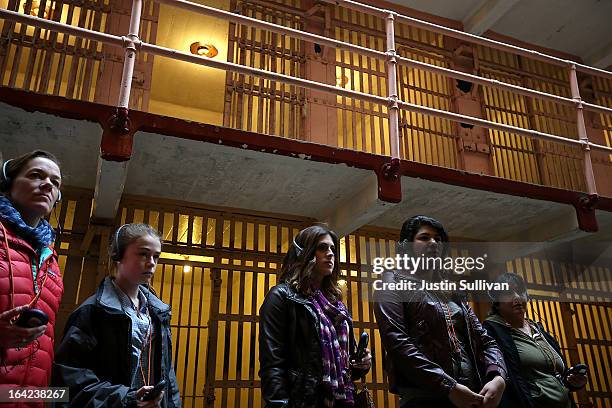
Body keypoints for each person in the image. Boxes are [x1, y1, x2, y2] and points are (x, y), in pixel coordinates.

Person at [374, 215, 507, 408]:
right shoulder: (392, 283)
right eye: (424, 238)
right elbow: (397, 343)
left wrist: (497, 376)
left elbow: (484, 339)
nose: (434, 243)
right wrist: (448, 386)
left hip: (471, 394)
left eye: (438, 239)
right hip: (424, 398)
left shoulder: (452, 291)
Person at [52, 223, 181, 407]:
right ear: (118, 255)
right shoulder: (92, 312)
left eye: (156, 256)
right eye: (143, 254)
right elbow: (69, 383)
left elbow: (168, 377)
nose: (152, 262)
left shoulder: (158, 313)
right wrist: (126, 399)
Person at [259, 225, 372, 407]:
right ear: (305, 253)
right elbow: (272, 365)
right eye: (322, 248)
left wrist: (362, 364)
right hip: (302, 401)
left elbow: (344, 367)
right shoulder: (281, 297)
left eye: (332, 249)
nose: (330, 253)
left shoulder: (337, 306)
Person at [0, 150, 64, 405]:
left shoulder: (51, 259)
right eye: (36, 175)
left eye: (55, 182)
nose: (48, 184)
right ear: (8, 183)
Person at [483, 272, 588, 408]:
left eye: (520, 291)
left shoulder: (538, 329)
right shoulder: (492, 330)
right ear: (496, 302)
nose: (517, 297)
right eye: (508, 292)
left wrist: (573, 381)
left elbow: (556, 376)